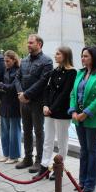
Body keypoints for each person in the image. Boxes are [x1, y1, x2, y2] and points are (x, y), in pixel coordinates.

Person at [68, 46, 96, 192]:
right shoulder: (80, 73)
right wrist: (73, 110)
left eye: (86, 56)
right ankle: (81, 181)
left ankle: (90, 183)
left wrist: (85, 113)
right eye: (82, 56)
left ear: (94, 57)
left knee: (92, 150)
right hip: (78, 116)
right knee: (84, 150)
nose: (83, 58)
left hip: (94, 117)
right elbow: (73, 93)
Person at [32, 46, 77, 180]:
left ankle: (59, 168)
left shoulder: (72, 72)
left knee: (62, 142)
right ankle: (44, 166)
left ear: (65, 55)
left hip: (62, 112)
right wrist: (45, 105)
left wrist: (52, 107)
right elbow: (47, 89)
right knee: (48, 140)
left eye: (58, 54)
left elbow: (65, 93)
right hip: (49, 110)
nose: (55, 56)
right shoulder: (55, 71)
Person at [14, 34, 53, 173]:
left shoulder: (47, 61)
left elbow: (43, 82)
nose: (28, 45)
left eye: (31, 43)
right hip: (23, 102)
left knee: (38, 131)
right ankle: (28, 158)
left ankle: (39, 160)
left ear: (39, 44)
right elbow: (17, 78)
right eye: (28, 43)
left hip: (37, 102)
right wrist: (20, 94)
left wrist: (27, 94)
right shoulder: (23, 60)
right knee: (26, 130)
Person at [0, 50, 21, 164]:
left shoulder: (18, 71)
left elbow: (13, 87)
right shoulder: (5, 70)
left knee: (14, 131)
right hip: (4, 103)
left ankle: (14, 156)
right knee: (4, 131)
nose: (6, 63)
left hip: (14, 104)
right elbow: (4, 86)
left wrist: (0, 85)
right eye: (4, 61)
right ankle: (6, 154)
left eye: (8, 61)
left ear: (14, 60)